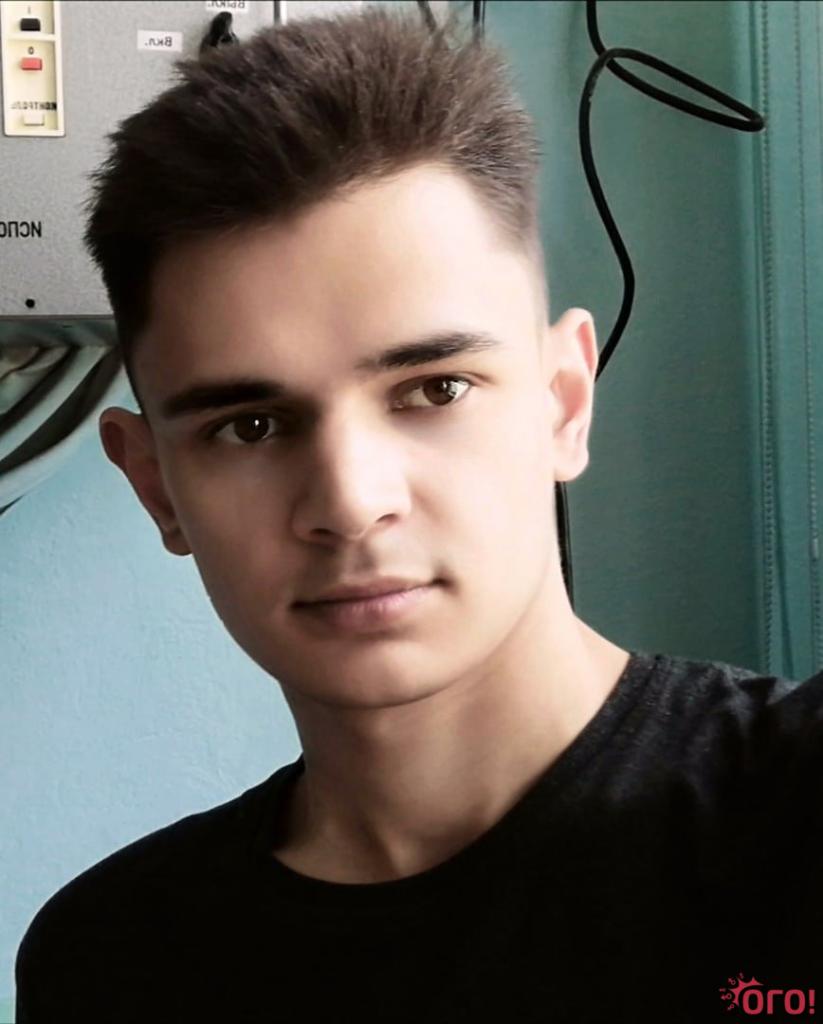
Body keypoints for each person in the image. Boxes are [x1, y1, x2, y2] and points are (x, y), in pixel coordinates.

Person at [14, 5, 823, 1022]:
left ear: (563, 403)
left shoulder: (795, 821)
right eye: (251, 426)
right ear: (154, 485)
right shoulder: (111, 962)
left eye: (435, 390)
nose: (351, 503)